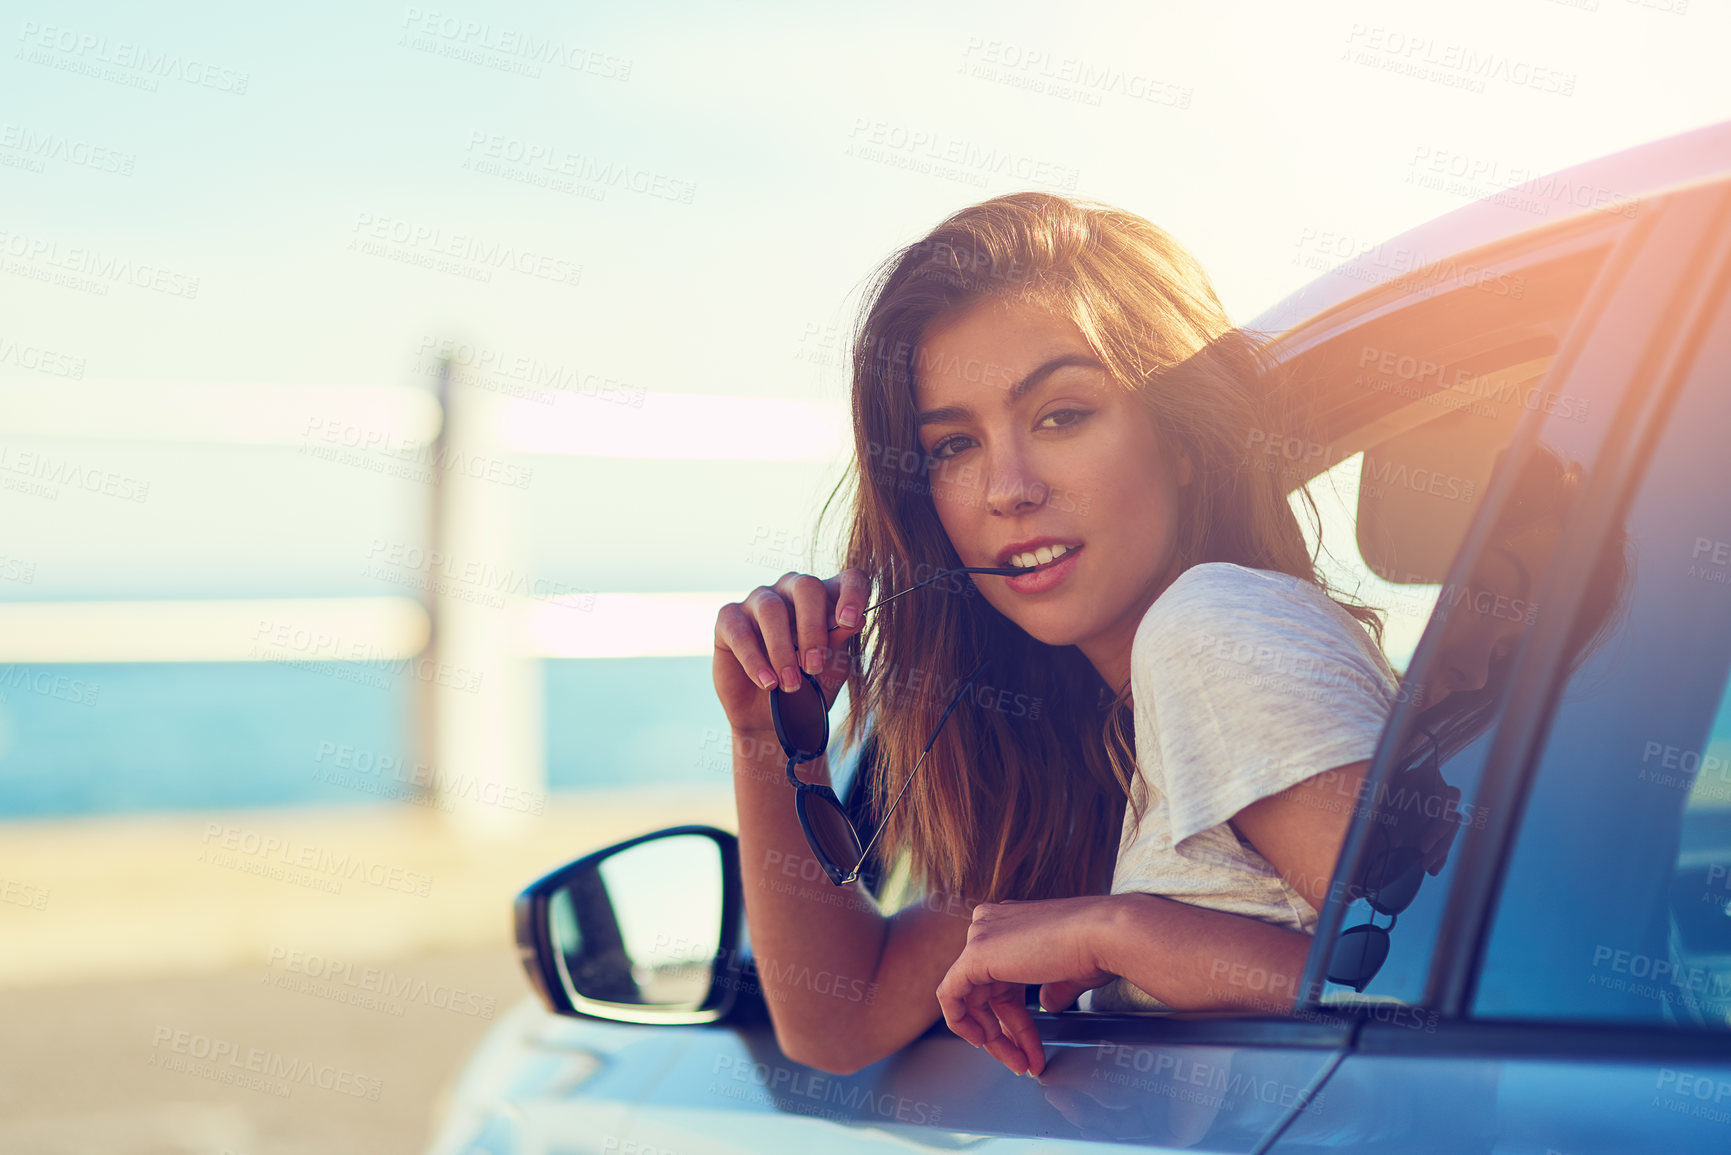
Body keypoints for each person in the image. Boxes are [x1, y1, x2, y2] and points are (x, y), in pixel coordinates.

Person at [712, 191, 1400, 1078]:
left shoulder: (1212, 629)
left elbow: (1461, 1001)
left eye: (1061, 415)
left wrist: (1127, 934)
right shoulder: (1101, 760)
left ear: (1183, 436)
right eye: (951, 447)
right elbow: (835, 1022)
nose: (1007, 487)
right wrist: (767, 737)